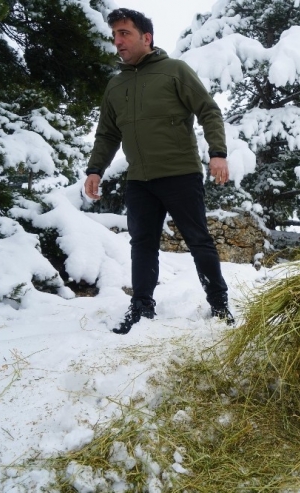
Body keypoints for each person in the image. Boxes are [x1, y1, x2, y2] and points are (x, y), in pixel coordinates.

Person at [84, 8, 234, 334]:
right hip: (139, 179)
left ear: (146, 37)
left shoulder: (174, 71)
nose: (118, 42)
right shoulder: (116, 86)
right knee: (142, 244)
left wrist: (218, 153)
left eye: (124, 34)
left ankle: (220, 305)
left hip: (180, 173)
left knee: (199, 241)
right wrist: (95, 169)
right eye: (115, 36)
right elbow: (107, 134)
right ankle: (141, 307)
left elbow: (208, 110)